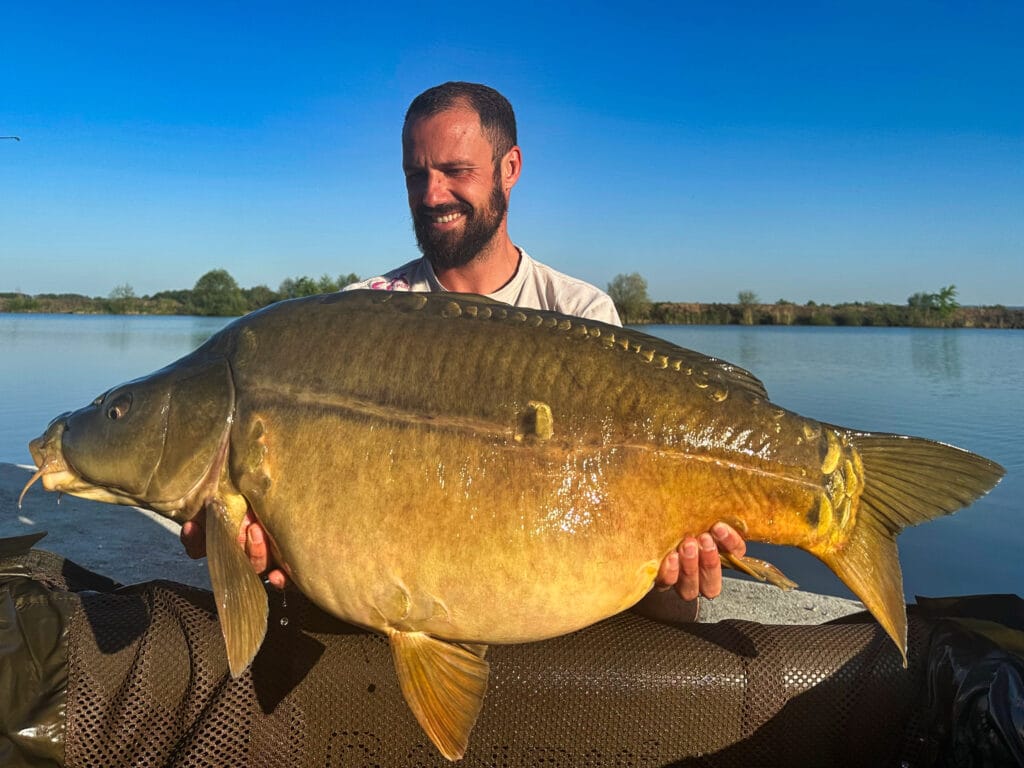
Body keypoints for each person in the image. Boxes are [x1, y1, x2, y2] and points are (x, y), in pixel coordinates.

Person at [180, 81, 747, 607]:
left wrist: (678, 569)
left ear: (510, 168)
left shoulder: (579, 312)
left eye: (456, 170)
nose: (431, 194)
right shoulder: (362, 314)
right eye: (414, 175)